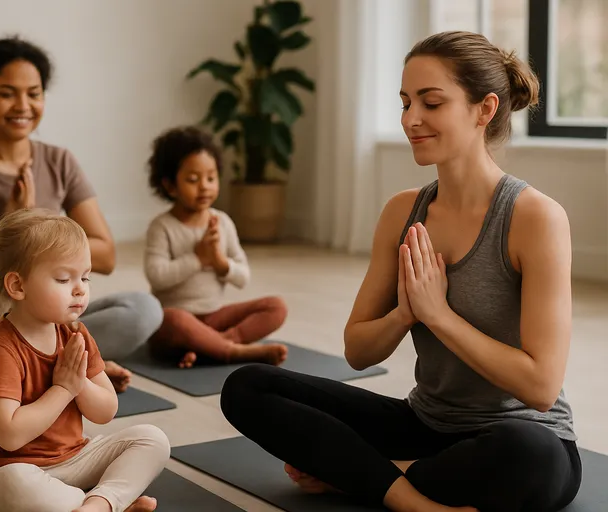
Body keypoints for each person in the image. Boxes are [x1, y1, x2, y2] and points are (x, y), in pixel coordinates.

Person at [219, 31, 582, 512]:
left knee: (533, 459)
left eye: (431, 103)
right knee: (248, 386)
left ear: (485, 109)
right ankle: (412, 497)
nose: (411, 120)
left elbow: (540, 388)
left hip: (516, 436)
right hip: (425, 427)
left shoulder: (535, 219)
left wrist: (439, 316)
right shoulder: (403, 212)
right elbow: (357, 351)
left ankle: (366, 477)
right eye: (406, 102)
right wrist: (404, 315)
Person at [0, 36, 162, 395]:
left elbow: (105, 255)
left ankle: (14, 376)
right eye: (7, 93)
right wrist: (6, 227)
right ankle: (69, 367)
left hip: (47, 326)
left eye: (34, 93)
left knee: (143, 308)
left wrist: (37, 227)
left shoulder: (59, 162)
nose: (23, 105)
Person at [0, 208, 169, 512]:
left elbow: (105, 411)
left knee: (153, 440)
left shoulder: (75, 334)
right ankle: (106, 505)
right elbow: (9, 436)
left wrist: (79, 385)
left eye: (84, 277)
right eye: (63, 279)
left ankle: (98, 504)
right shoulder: (0, 349)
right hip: (10, 468)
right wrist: (63, 390)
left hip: (75, 458)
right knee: (15, 484)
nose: (80, 289)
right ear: (18, 286)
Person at [143, 126, 288, 368]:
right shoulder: (162, 227)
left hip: (214, 317)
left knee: (276, 306)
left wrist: (220, 263)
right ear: (169, 186)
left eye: (211, 178)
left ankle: (217, 344)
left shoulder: (223, 222)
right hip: (175, 325)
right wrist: (198, 258)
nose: (204, 186)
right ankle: (232, 352)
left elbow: (243, 278)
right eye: (193, 179)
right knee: (171, 318)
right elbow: (157, 277)